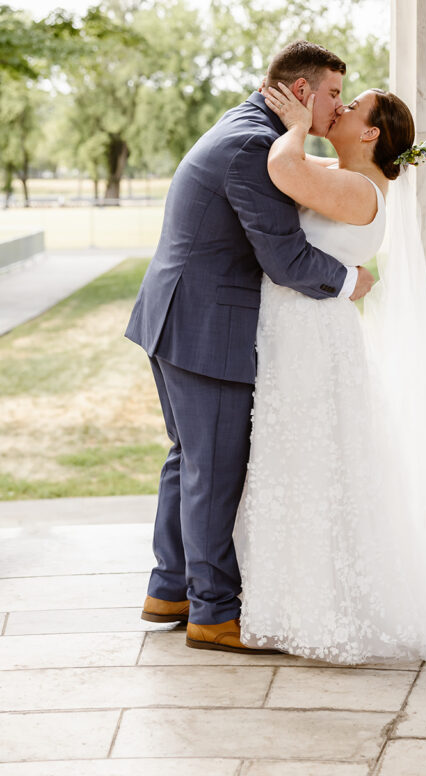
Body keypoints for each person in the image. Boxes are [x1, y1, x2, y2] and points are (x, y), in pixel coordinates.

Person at [230, 82, 426, 664]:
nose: (341, 109)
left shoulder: (359, 188)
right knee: (292, 460)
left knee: (310, 461)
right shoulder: (344, 174)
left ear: (371, 134)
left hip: (311, 337)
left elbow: (285, 170)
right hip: (294, 328)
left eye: (353, 108)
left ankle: (314, 609)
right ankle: (282, 601)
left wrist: (296, 122)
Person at [125, 41, 375, 654]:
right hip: (205, 325)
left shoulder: (252, 128)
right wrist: (350, 281)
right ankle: (212, 613)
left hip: (179, 316)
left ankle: (170, 588)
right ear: (298, 91)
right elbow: (285, 256)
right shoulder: (253, 145)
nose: (337, 104)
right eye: (333, 93)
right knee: (213, 467)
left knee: (189, 458)